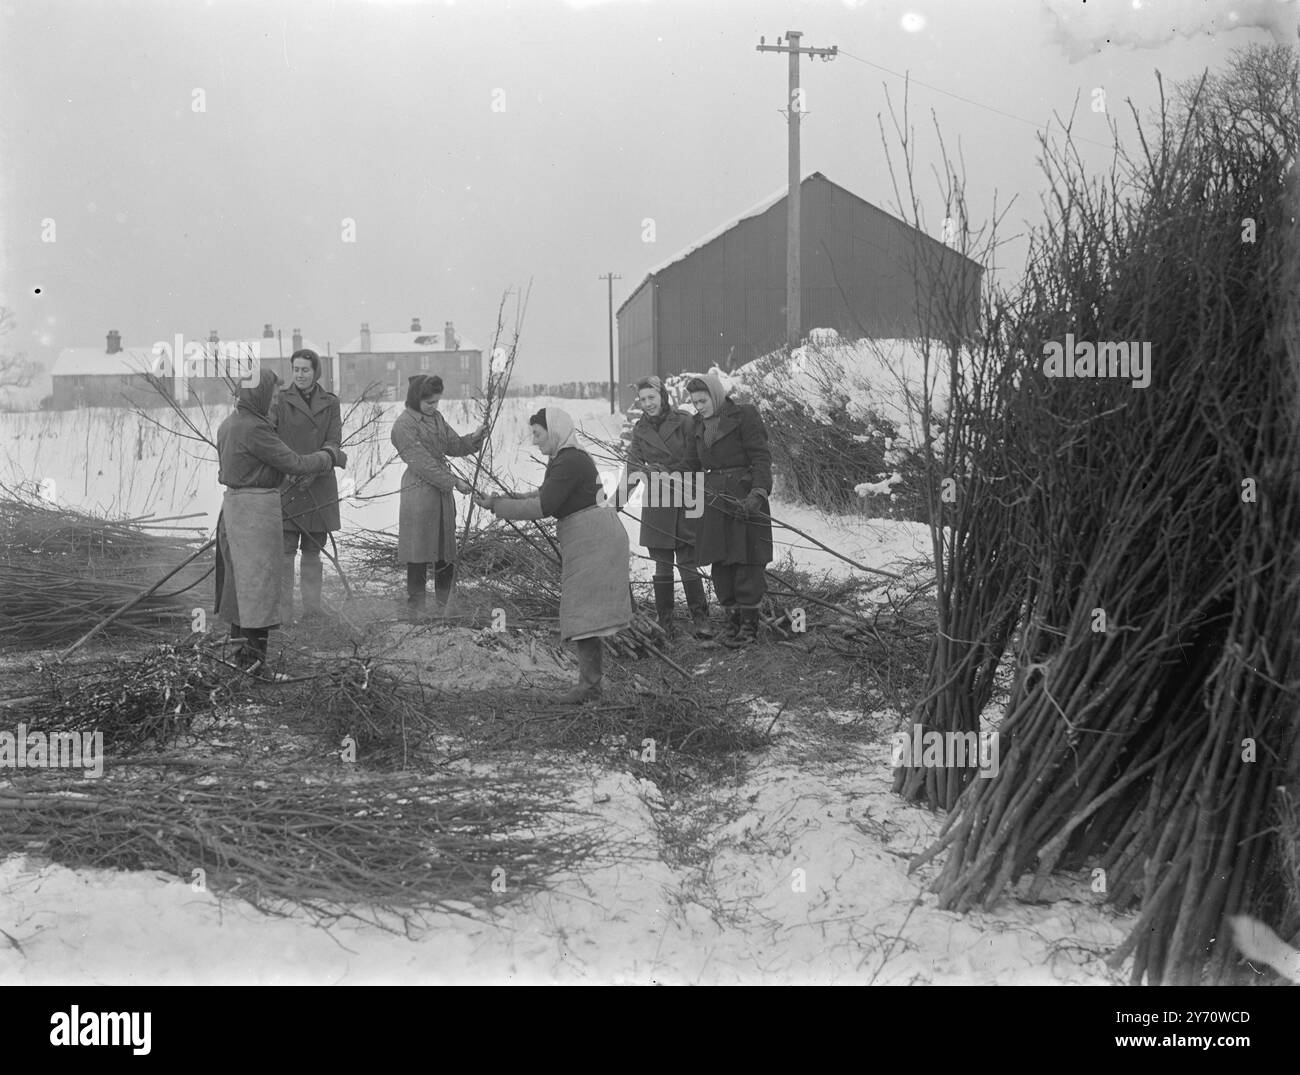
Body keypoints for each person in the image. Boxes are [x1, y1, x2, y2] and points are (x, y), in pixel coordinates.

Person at [474, 408, 631, 704]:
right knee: (584, 613)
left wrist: (498, 508)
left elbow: (542, 507)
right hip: (589, 537)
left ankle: (590, 687)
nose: (534, 441)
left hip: (595, 539)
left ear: (555, 431)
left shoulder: (570, 461)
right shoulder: (565, 458)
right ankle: (591, 685)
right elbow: (543, 495)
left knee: (583, 612)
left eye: (538, 434)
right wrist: (499, 500)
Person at [214, 368, 347, 677]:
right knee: (259, 589)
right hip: (255, 515)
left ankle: (242, 661)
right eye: (272, 396)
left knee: (240, 589)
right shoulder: (255, 429)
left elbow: (256, 464)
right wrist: (330, 455)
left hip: (234, 510)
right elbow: (296, 463)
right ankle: (256, 666)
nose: (275, 403)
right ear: (258, 394)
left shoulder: (230, 424)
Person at [615, 375, 712, 640]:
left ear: (662, 396)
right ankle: (665, 620)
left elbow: (696, 461)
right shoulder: (640, 430)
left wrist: (666, 471)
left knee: (687, 561)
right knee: (662, 564)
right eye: (643, 399)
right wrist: (613, 505)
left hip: (686, 495)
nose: (647, 403)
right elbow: (633, 470)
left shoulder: (684, 421)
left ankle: (701, 617)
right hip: (657, 500)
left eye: (651, 398)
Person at [683, 373, 773, 647]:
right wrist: (664, 474)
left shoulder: (743, 415)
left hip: (743, 496)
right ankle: (731, 622)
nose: (699, 406)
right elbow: (690, 464)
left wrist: (757, 493)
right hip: (713, 500)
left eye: (703, 400)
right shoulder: (696, 424)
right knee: (720, 561)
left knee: (746, 559)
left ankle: (749, 626)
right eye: (695, 402)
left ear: (716, 395)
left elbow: (760, 456)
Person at [391, 374, 486, 613]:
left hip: (441, 494)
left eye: (436, 402)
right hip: (419, 493)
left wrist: (473, 439)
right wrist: (453, 481)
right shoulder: (403, 425)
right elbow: (422, 463)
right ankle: (417, 609)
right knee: (418, 550)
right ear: (415, 399)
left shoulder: (436, 418)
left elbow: (452, 445)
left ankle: (445, 605)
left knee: (445, 549)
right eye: (429, 403)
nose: (434, 407)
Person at [271, 349, 343, 623]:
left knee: (313, 549)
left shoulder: (330, 403)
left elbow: (334, 441)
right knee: (286, 550)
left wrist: (314, 468)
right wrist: (291, 468)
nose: (300, 375)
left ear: (316, 372)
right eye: (296, 369)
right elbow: (271, 439)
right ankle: (283, 609)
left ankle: (312, 608)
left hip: (319, 483)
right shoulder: (280, 400)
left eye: (305, 370)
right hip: (287, 484)